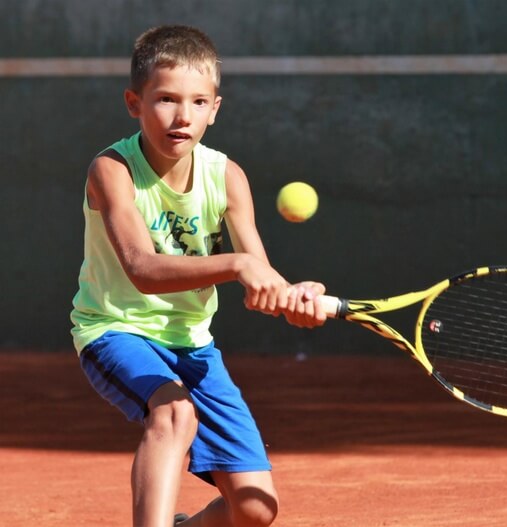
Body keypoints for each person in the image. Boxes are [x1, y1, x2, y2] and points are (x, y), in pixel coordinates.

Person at [70, 24, 326, 527]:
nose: (182, 116)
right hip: (115, 328)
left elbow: (260, 272)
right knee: (174, 414)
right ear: (133, 102)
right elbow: (142, 269)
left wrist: (294, 295)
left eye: (198, 102)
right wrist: (237, 266)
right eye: (165, 99)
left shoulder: (227, 176)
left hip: (194, 344)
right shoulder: (111, 170)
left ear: (215, 108)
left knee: (254, 510)